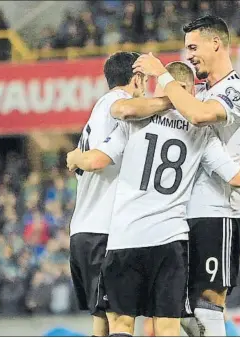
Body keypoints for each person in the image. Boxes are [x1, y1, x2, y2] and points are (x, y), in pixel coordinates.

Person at [66, 61, 240, 337]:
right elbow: (237, 177)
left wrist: (74, 157)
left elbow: (98, 159)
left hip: (125, 237)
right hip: (170, 240)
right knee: (167, 326)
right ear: (190, 90)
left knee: (121, 324)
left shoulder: (135, 121)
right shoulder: (201, 131)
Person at [132, 15, 240, 336]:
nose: (189, 55)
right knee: (175, 307)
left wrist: (162, 75)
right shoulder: (197, 90)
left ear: (216, 43)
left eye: (193, 46)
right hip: (179, 212)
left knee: (207, 304)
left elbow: (200, 116)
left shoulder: (236, 90)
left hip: (217, 210)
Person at [68, 51, 175, 337]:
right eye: (146, 79)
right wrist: (173, 100)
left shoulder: (98, 111)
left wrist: (75, 157)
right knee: (120, 321)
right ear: (137, 77)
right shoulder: (114, 104)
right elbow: (101, 156)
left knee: (102, 322)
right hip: (103, 231)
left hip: (85, 229)